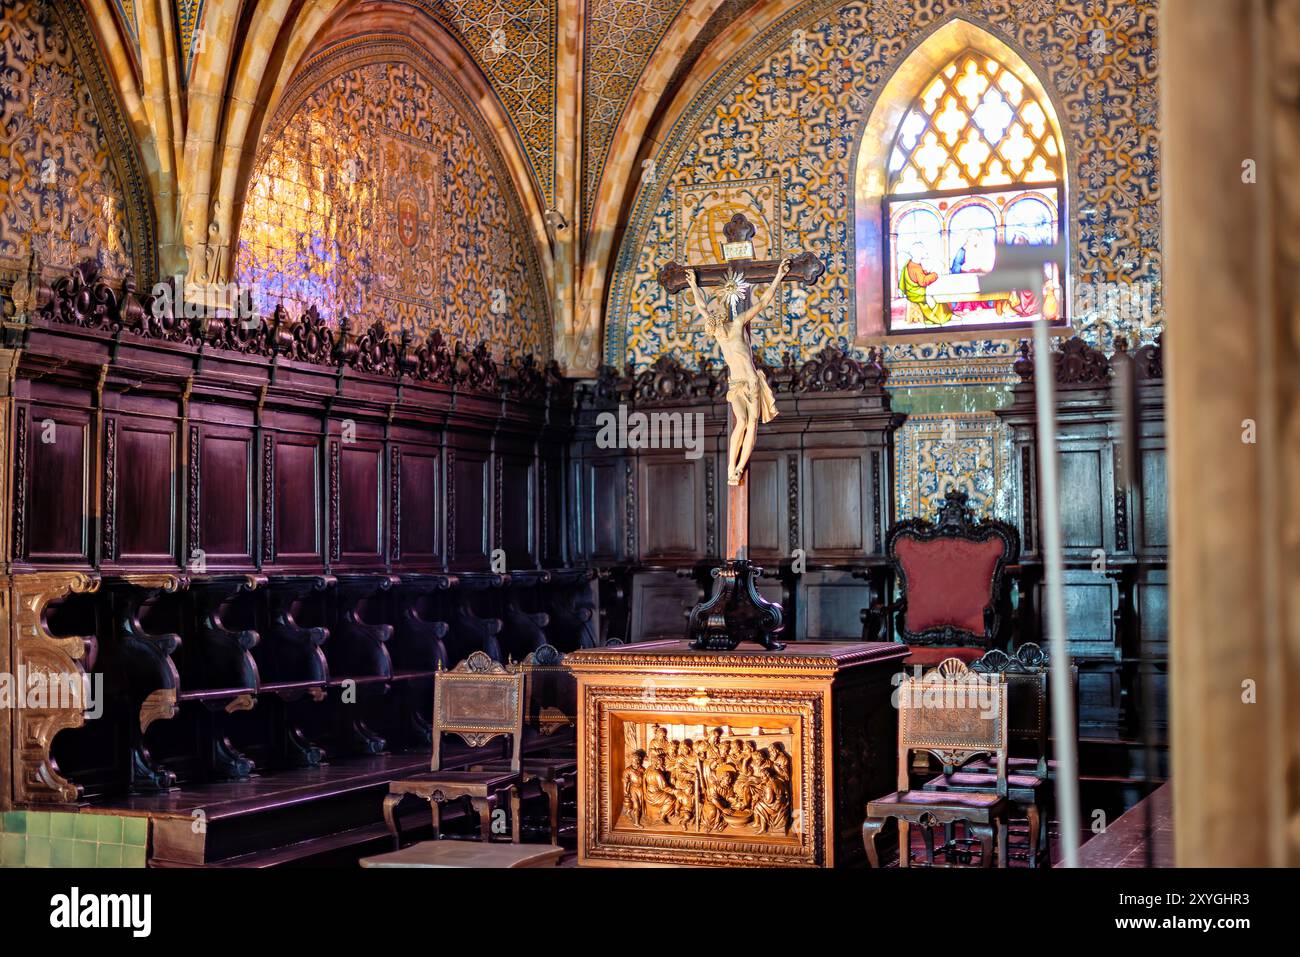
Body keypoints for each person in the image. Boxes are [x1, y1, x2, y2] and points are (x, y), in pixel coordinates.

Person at [685, 261, 789, 485]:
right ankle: (731, 466)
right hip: (735, 385)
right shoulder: (719, 334)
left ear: (721, 322)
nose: (717, 334)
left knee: (751, 423)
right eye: (714, 332)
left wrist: (778, 277)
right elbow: (702, 307)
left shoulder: (738, 323)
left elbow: (762, 303)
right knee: (740, 422)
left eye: (717, 329)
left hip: (751, 383)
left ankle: (740, 467)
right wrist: (694, 285)